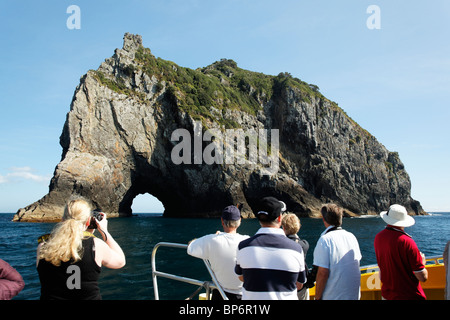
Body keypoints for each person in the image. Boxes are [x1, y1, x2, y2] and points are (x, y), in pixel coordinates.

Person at [36, 197, 126, 300]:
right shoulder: (96, 246)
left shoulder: (43, 247)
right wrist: (104, 231)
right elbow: (120, 262)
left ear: (62, 219)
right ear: (88, 221)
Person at [235, 197, 306, 300]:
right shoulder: (296, 249)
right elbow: (300, 284)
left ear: (259, 219)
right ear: (279, 218)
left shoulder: (243, 247)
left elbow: (241, 277)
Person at [187, 205, 249, 300]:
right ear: (239, 221)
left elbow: (190, 246)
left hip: (219, 293)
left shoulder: (212, 240)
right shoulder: (247, 241)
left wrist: (216, 236)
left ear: (222, 221)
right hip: (244, 295)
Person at [374, 204, 428, 300]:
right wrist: (422, 263)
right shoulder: (407, 242)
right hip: (408, 295)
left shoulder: (378, 237)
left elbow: (382, 271)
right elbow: (423, 277)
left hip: (387, 295)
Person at [313, 203, 362, 300]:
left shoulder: (325, 240)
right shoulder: (351, 236)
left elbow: (323, 273)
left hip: (334, 297)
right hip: (353, 296)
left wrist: (317, 297)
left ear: (324, 219)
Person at [282, 213, 310, 300]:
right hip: (300, 286)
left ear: (283, 227)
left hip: (285, 286)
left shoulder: (281, 245)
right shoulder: (304, 245)